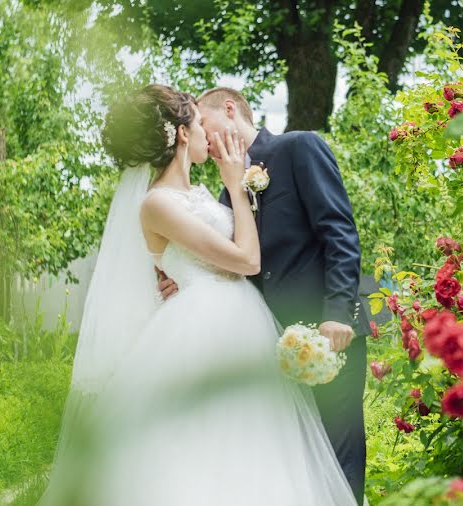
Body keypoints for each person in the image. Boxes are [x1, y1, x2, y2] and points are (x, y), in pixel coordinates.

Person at [40, 84, 357, 505]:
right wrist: (178, 272)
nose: (208, 135)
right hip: (213, 330)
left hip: (281, 328)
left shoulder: (221, 188)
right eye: (199, 124)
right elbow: (243, 259)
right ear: (182, 133)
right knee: (214, 448)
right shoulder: (179, 198)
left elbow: (337, 232)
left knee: (300, 455)